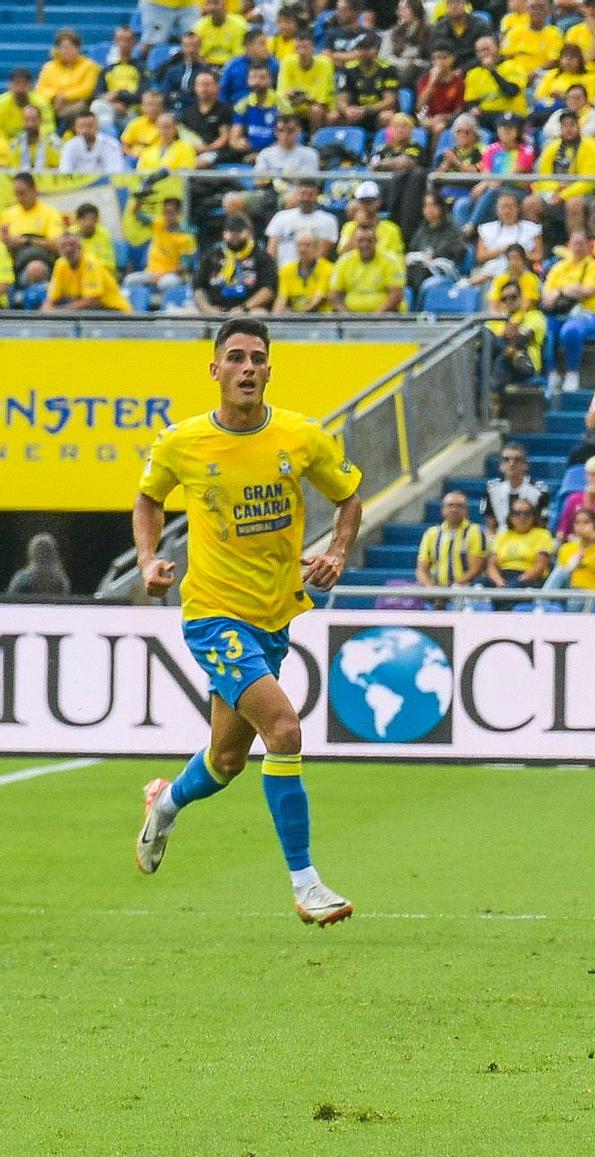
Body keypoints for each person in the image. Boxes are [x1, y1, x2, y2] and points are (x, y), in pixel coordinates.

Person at [132, 318, 362, 927]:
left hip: (273, 615)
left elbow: (348, 496)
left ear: (269, 370)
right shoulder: (183, 442)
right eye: (235, 357)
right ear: (215, 370)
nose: (248, 368)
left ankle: (165, 803)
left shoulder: (301, 436)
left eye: (257, 358)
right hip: (213, 614)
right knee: (283, 729)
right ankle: (307, 884)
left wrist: (337, 551)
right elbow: (149, 498)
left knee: (226, 760)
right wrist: (148, 559)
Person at [416, 490, 489, 587]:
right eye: (450, 505)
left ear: (466, 510)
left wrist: (454, 587)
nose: (454, 509)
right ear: (443, 509)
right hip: (435, 589)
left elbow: (476, 568)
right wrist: (430, 588)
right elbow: (421, 570)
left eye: (459, 506)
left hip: (466, 588)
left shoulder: (474, 531)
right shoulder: (431, 533)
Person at [485, 499, 557, 587]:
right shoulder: (503, 535)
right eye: (517, 513)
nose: (522, 517)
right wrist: (499, 582)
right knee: (480, 583)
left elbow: (540, 566)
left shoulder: (543, 534)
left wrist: (517, 582)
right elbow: (491, 565)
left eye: (527, 513)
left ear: (534, 516)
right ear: (510, 517)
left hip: (529, 579)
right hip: (503, 577)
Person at [5, 532, 70, 597]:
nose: (43, 554)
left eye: (47, 550)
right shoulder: (21, 579)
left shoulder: (60, 580)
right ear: (32, 552)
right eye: (39, 550)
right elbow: (11, 600)